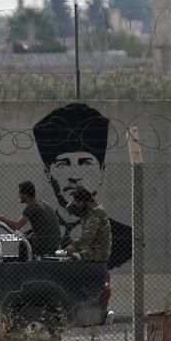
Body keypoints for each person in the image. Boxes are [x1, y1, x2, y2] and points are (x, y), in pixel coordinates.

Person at [33, 102, 131, 269]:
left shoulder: (124, 237)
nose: (74, 176)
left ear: (101, 172)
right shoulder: (44, 232)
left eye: (85, 163)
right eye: (63, 164)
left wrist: (72, 248)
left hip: (93, 256)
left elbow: (87, 237)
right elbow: (72, 210)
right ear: (48, 174)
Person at [0, 180, 61, 257]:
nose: (19, 196)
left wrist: (1, 218)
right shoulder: (43, 204)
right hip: (55, 241)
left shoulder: (31, 207)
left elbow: (17, 226)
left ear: (26, 194)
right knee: (28, 236)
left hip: (45, 242)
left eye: (20, 193)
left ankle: (23, 266)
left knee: (23, 244)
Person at [63, 187, 112, 262]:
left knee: (67, 261)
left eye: (78, 202)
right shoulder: (86, 210)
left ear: (87, 202)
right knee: (61, 256)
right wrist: (75, 199)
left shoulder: (96, 212)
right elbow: (69, 209)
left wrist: (74, 247)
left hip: (98, 251)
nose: (76, 204)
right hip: (88, 249)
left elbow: (89, 234)